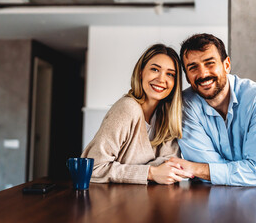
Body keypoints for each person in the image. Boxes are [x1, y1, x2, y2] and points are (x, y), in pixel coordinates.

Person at [169, 33, 256, 193]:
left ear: (226, 65)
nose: (203, 74)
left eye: (209, 63)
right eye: (193, 67)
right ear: (187, 76)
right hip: (207, 198)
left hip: (254, 198)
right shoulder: (183, 106)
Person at [81, 44, 193, 184]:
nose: (161, 79)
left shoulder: (167, 116)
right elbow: (93, 168)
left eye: (170, 74)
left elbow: (170, 163)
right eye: (155, 69)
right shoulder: (128, 108)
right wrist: (151, 172)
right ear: (141, 72)